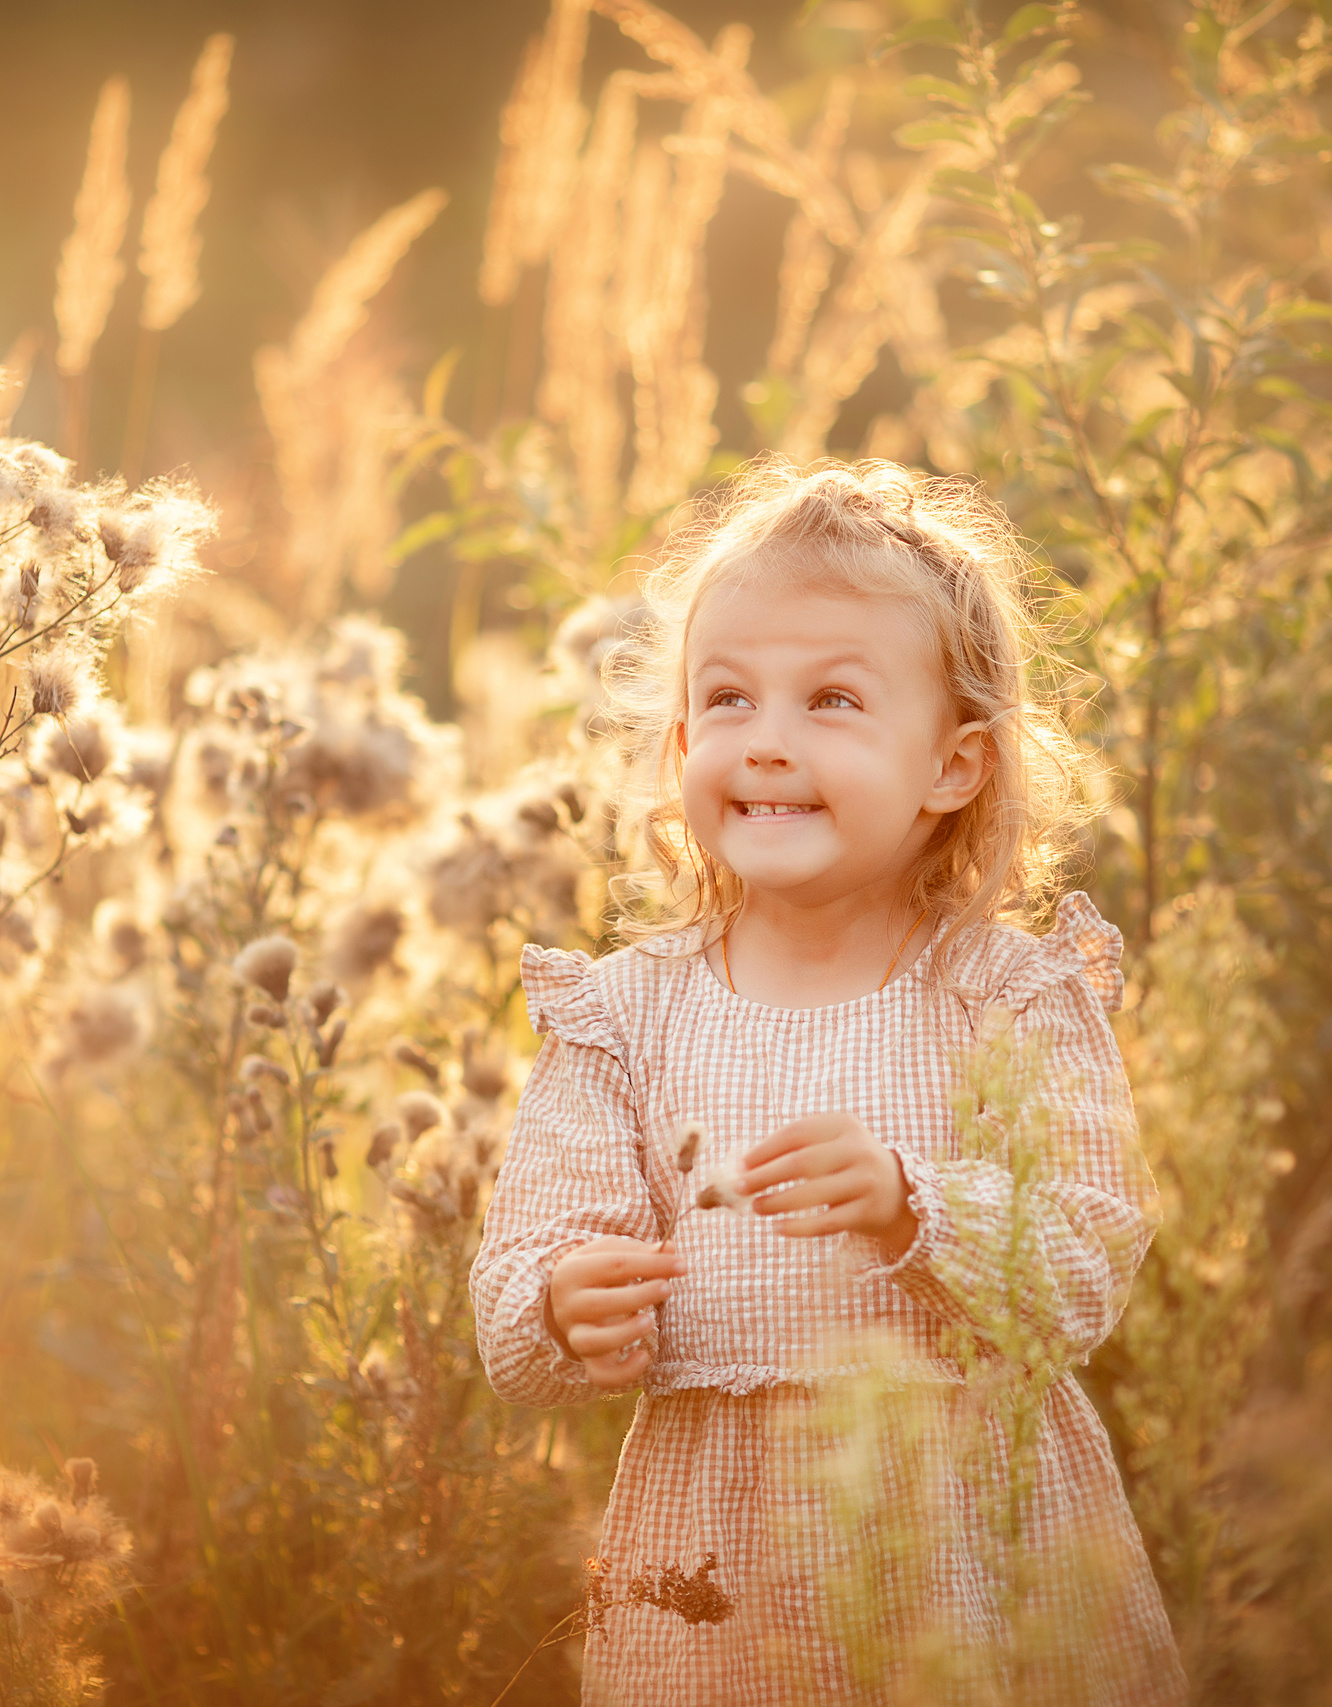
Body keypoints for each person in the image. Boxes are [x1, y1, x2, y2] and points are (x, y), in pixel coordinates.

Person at [471, 461, 1184, 1705]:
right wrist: (565, 1305)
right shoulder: (623, 1017)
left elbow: (1083, 1260)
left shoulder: (1007, 997)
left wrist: (917, 1205)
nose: (768, 742)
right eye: (730, 698)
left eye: (834, 700)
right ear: (684, 741)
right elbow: (524, 1276)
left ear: (953, 767)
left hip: (967, 1539)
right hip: (712, 1566)